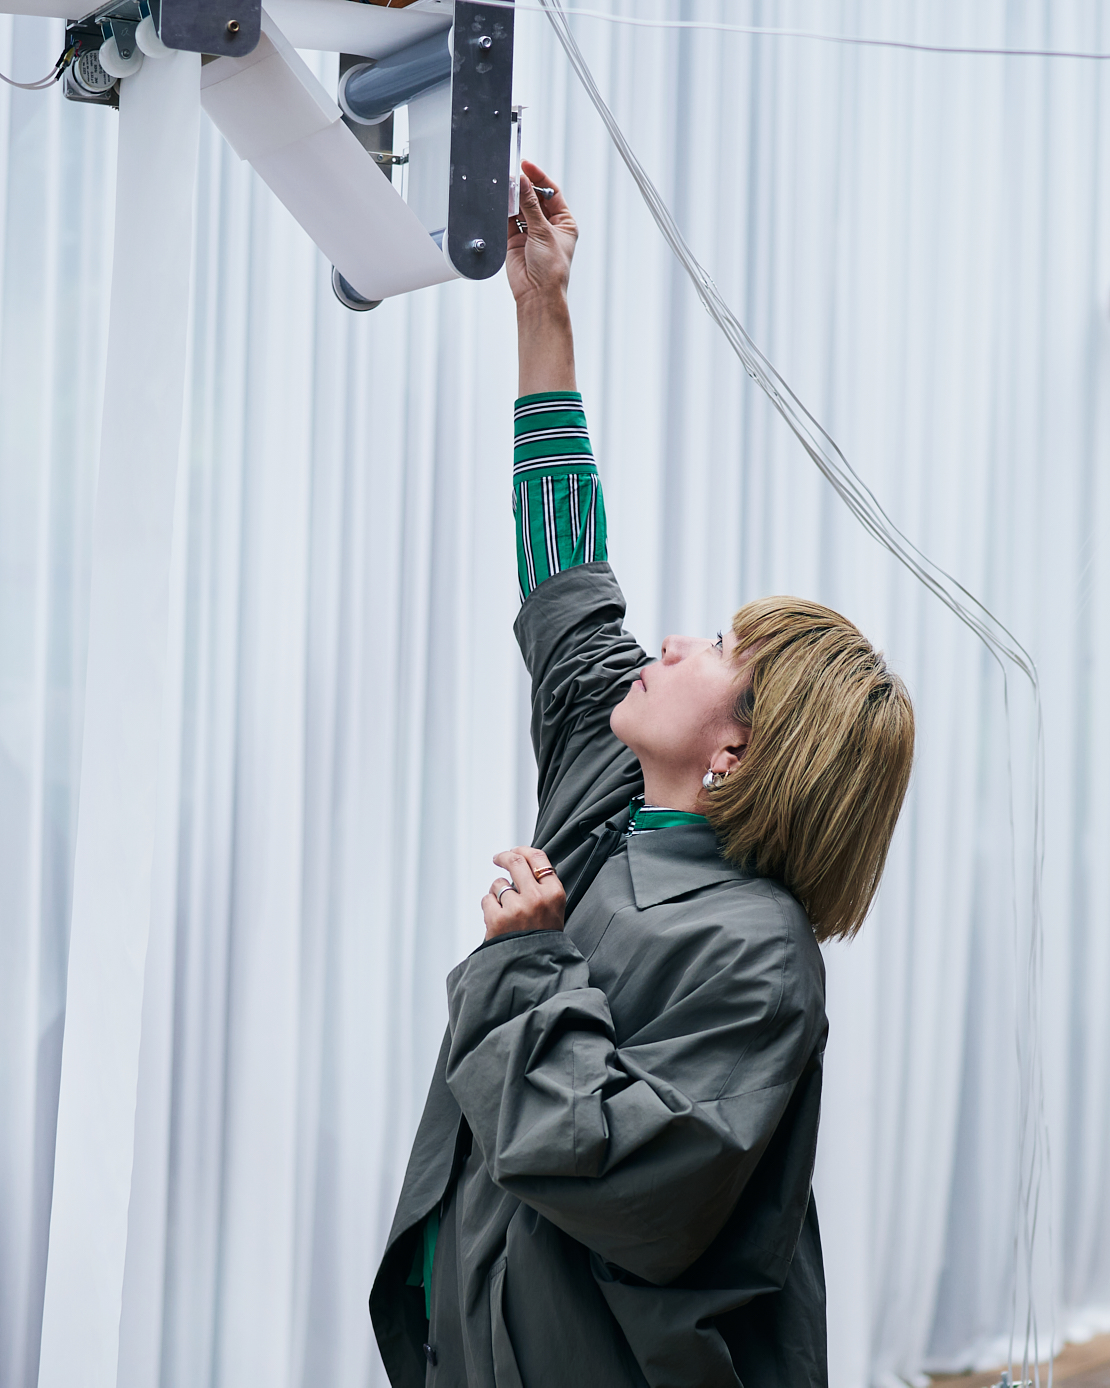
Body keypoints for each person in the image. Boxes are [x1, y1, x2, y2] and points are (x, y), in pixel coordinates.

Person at [370, 163, 915, 1388]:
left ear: (736, 753)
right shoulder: (609, 793)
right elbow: (567, 576)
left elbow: (619, 1173)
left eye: (716, 646)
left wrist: (527, 960)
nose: (670, 641)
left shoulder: (761, 958)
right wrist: (542, 308)